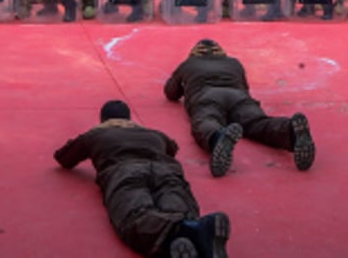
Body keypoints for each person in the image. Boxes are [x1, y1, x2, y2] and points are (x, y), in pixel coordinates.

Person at [54, 100, 231, 258]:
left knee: (135, 215)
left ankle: (181, 233)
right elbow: (172, 148)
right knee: (178, 203)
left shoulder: (95, 135)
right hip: (166, 169)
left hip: (124, 171)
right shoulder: (154, 134)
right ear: (129, 118)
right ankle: (194, 230)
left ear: (103, 119)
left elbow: (64, 158)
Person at [164, 39, 315, 178]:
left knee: (207, 120)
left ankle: (218, 138)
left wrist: (185, 83)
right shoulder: (234, 63)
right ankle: (290, 131)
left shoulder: (189, 64)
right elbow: (245, 87)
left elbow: (171, 92)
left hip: (207, 96)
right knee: (257, 122)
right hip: (238, 96)